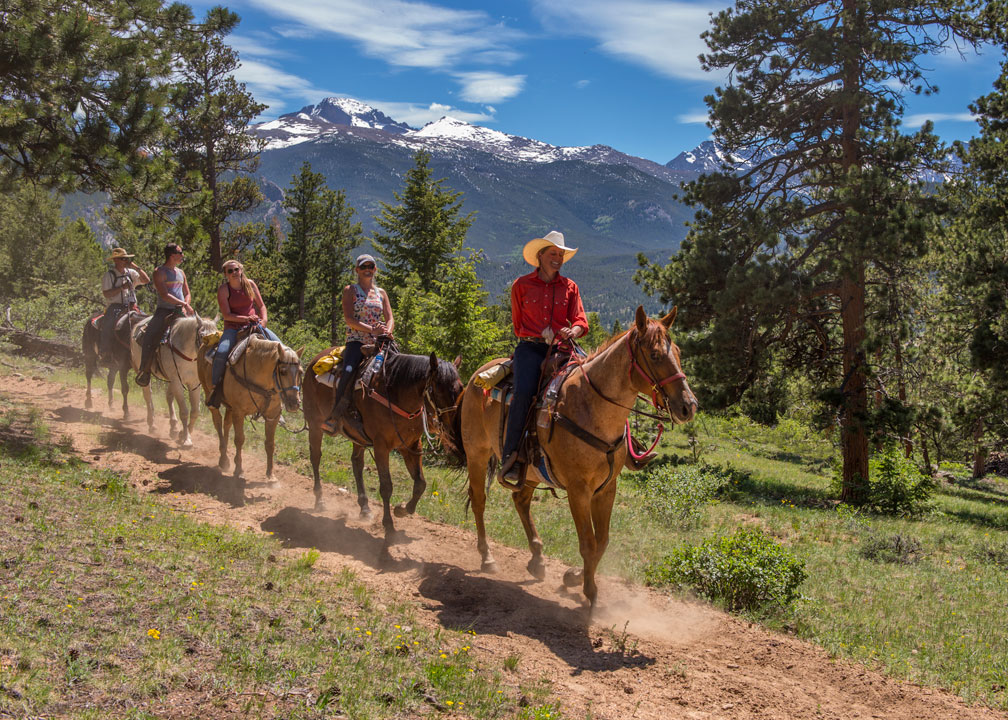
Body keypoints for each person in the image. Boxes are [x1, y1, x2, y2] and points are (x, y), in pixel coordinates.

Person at [500, 230, 588, 484]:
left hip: (563, 348)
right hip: (531, 348)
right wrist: (539, 333)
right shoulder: (521, 285)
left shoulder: (570, 287)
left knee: (589, 383)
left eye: (560, 254)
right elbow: (518, 326)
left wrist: (574, 330)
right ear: (540, 256)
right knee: (524, 393)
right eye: (553, 253)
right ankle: (512, 456)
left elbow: (581, 320)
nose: (558, 258)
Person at [322, 253, 394, 433]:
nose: (368, 270)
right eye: (364, 267)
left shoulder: (382, 293)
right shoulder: (350, 290)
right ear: (357, 270)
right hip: (357, 341)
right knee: (347, 371)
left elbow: (390, 317)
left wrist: (387, 331)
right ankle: (335, 415)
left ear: (375, 269)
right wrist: (372, 330)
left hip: (380, 341)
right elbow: (349, 319)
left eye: (371, 266)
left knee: (398, 369)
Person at [206, 259, 281, 408]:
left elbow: (261, 306)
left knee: (281, 349)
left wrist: (264, 320)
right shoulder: (224, 290)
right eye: (230, 271)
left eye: (236, 270)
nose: (234, 273)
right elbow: (226, 315)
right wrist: (246, 318)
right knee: (221, 352)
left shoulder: (250, 284)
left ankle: (280, 391)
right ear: (226, 274)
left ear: (241, 270)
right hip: (233, 328)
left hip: (255, 325)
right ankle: (216, 389)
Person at [136, 243, 193, 386]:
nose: (182, 255)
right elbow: (164, 294)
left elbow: (187, 292)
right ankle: (145, 370)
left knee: (199, 332)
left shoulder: (181, 272)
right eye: (180, 253)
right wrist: (184, 304)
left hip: (182, 310)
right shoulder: (159, 272)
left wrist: (186, 304)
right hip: (164, 311)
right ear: (172, 255)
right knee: (149, 336)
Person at [99, 247, 149, 361]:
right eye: (123, 259)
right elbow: (106, 294)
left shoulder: (131, 273)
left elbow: (146, 280)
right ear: (116, 260)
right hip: (115, 306)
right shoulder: (109, 275)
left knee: (145, 322)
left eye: (126, 259)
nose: (125, 261)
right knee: (108, 324)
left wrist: (136, 267)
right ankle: (105, 351)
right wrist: (122, 288)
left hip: (131, 306)